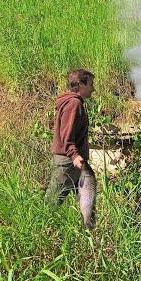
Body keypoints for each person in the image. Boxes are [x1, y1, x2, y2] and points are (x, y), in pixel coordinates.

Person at [45, 69, 95, 204]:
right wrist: (74, 155)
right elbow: (67, 133)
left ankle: (86, 225)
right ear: (81, 84)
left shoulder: (72, 102)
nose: (93, 89)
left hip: (72, 161)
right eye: (91, 84)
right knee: (52, 203)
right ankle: (41, 225)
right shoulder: (74, 104)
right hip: (68, 162)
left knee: (85, 203)